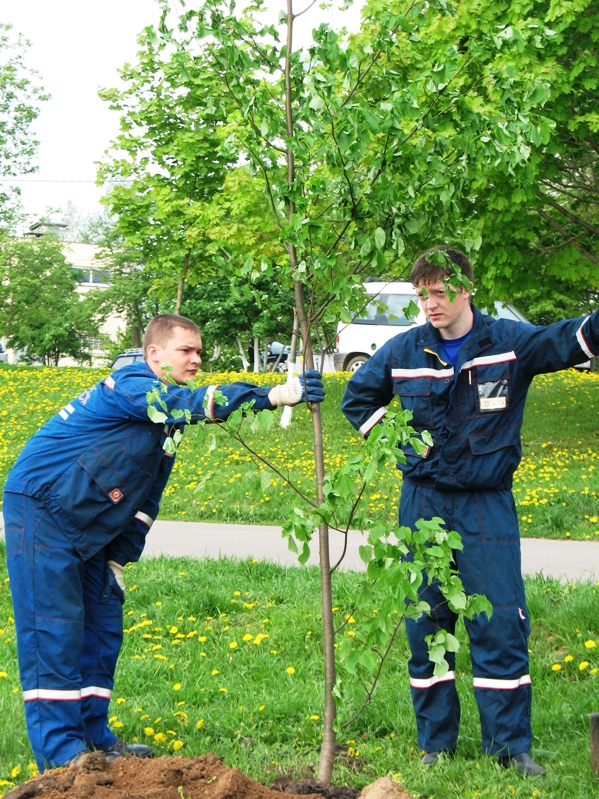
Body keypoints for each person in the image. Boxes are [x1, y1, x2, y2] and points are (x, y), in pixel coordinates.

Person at [3, 313, 325, 772]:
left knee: (102, 625)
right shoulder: (134, 385)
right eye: (185, 351)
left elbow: (145, 498)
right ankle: (62, 755)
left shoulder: (166, 420)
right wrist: (269, 396)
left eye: (199, 352)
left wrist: (119, 559)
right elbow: (191, 402)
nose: (196, 359)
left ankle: (94, 740)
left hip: (88, 519)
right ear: (155, 354)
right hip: (41, 508)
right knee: (54, 628)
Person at [341, 246, 599, 777]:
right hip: (423, 502)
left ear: (466, 289)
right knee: (426, 621)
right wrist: (406, 450)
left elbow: (572, 337)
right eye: (423, 294)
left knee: (499, 620)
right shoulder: (404, 349)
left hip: (487, 505)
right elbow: (357, 401)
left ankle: (509, 747)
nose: (430, 303)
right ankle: (436, 743)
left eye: (440, 292)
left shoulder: (508, 343)